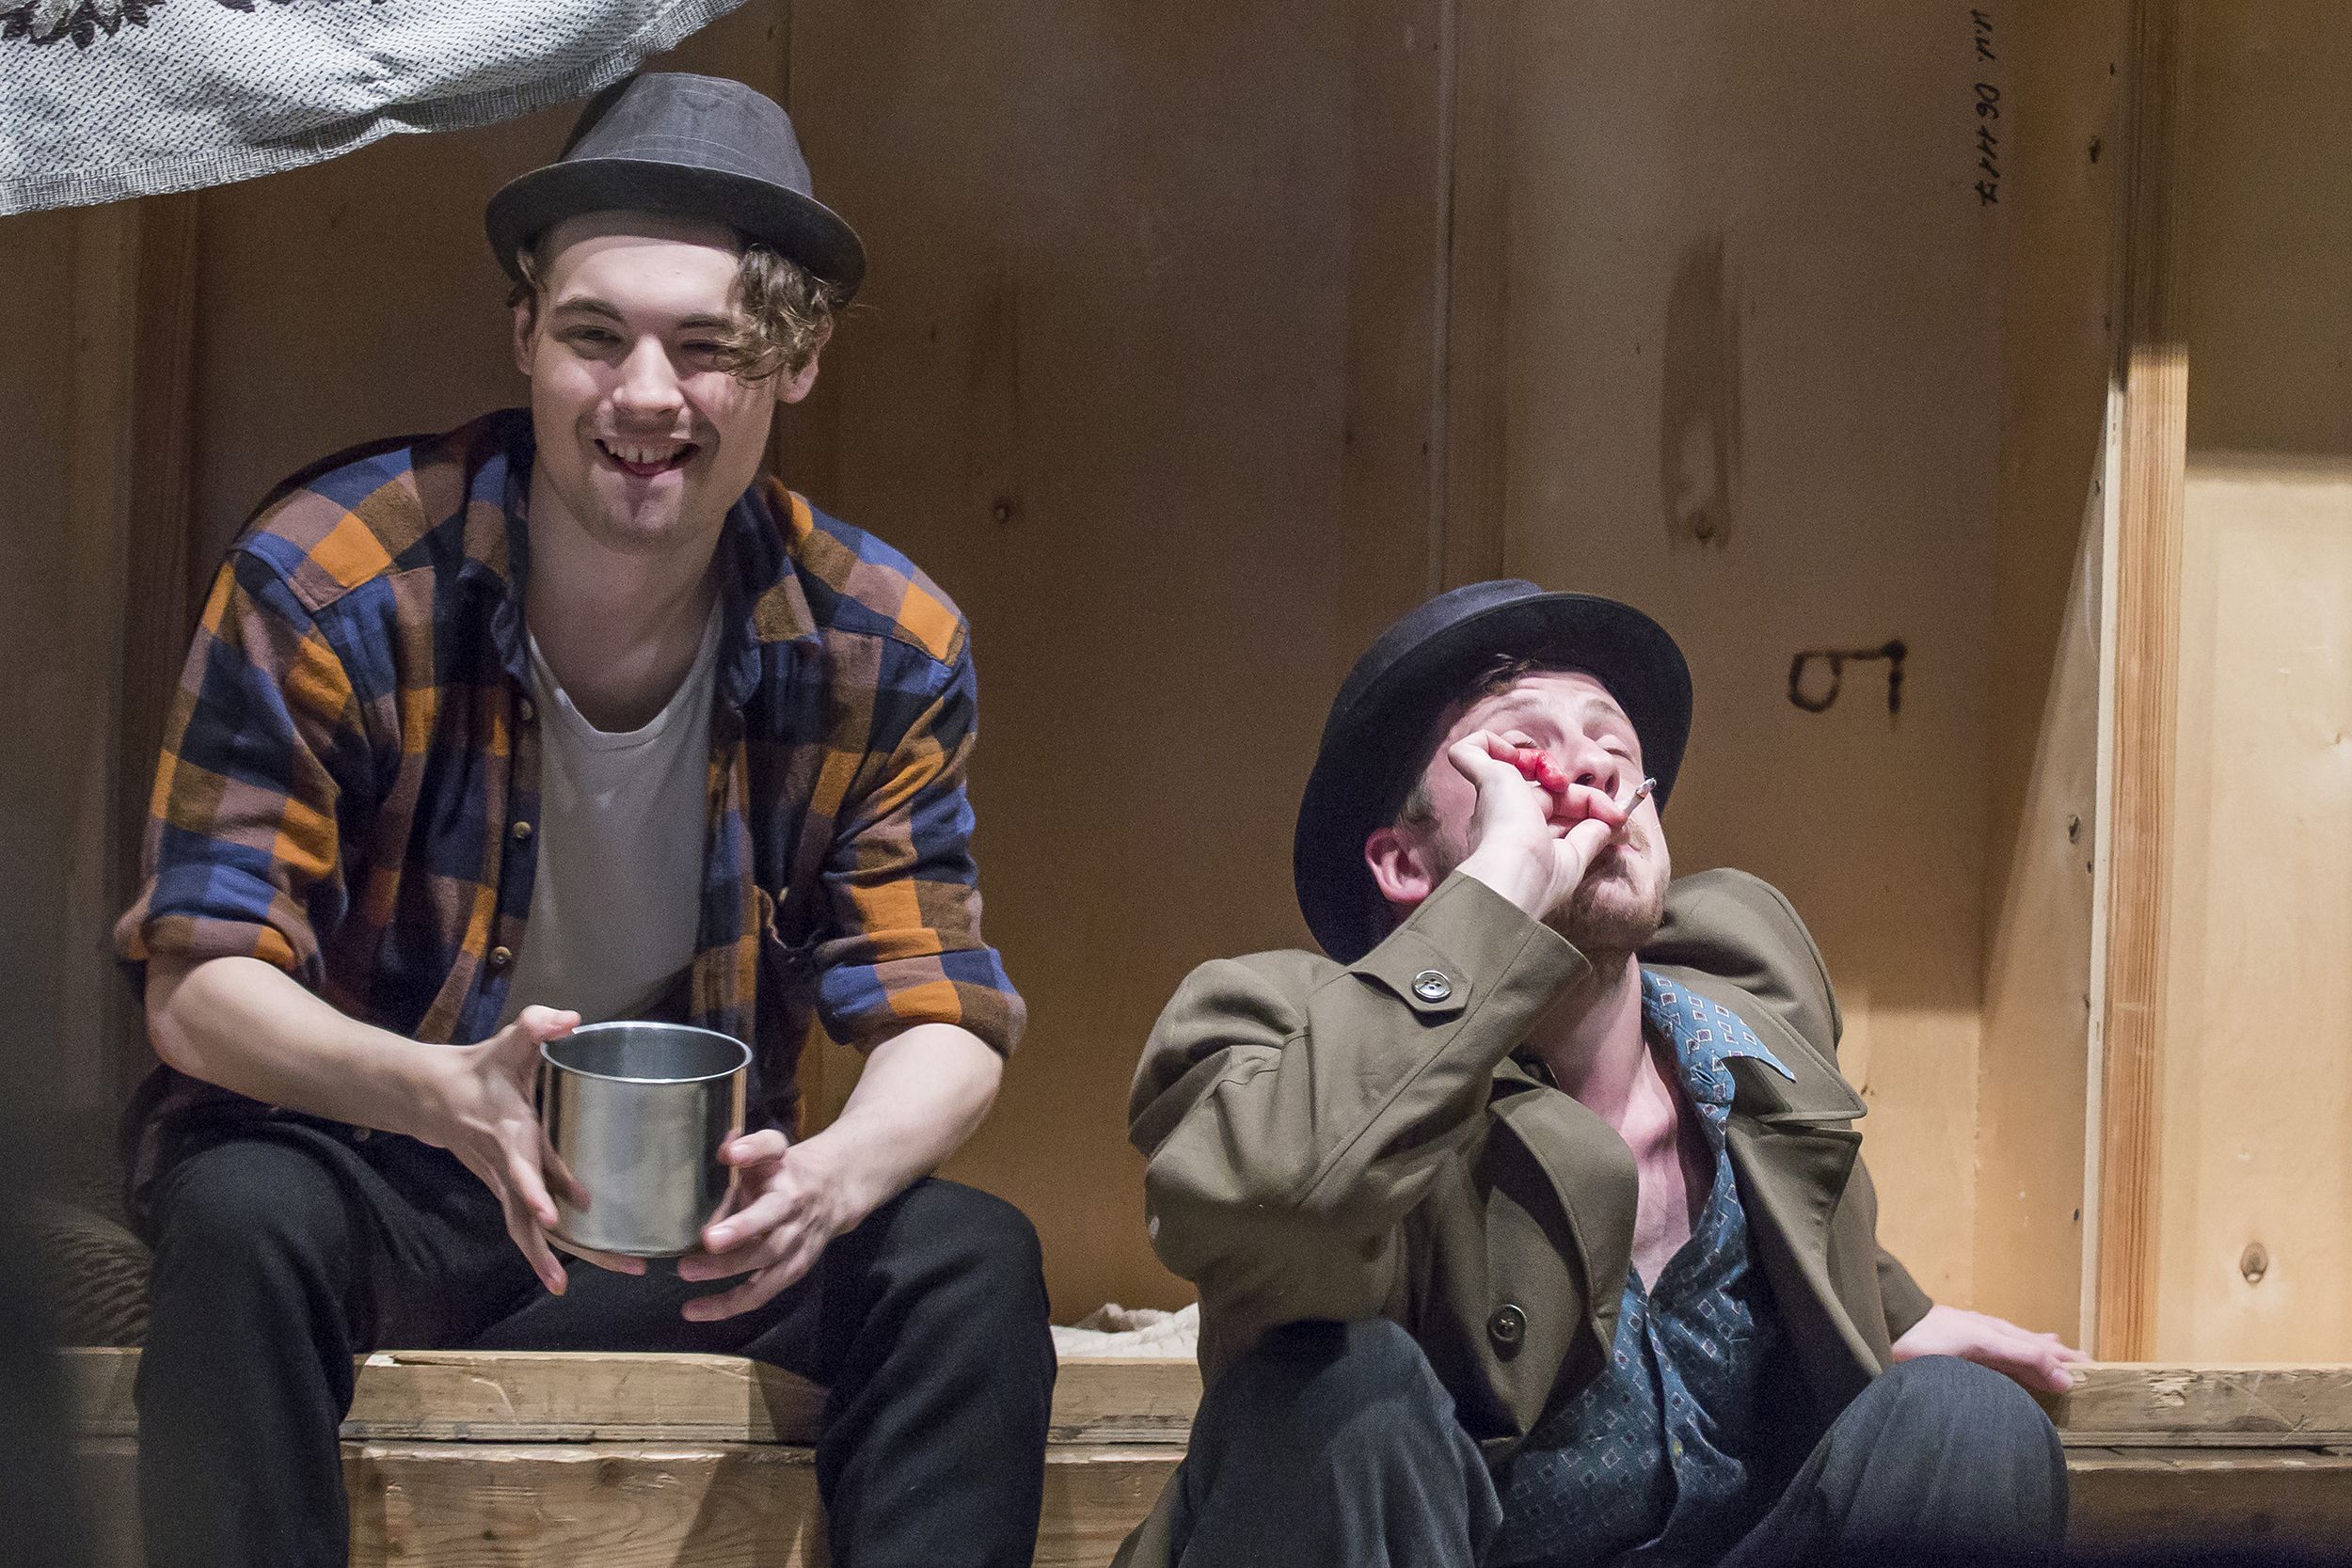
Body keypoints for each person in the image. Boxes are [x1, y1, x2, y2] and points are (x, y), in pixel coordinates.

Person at [114, 72, 1052, 1568]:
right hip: (381, 1171)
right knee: (238, 1218)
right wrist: (439, 1091)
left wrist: (832, 1177)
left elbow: (940, 1011)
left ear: (796, 359)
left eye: (708, 347)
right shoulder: (334, 575)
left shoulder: (880, 642)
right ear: (525, 338)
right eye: (596, 335)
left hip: (682, 1215)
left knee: (967, 1257)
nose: (645, 396)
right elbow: (199, 984)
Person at [1117, 579, 2083, 1568]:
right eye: (1518, 755)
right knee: (1344, 1395)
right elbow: (1285, 1202)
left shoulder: (1744, 1018)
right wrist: (1502, 886)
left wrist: (1896, 1314)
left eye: (1614, 747)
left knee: (1972, 1424)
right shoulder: (1274, 1034)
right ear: (1403, 862)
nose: (1588, 768)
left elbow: (1796, 1199)